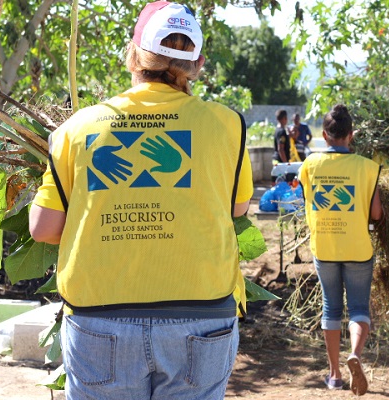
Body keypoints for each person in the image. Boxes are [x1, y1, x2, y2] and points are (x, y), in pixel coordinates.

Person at [29, 2, 253, 398]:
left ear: (133, 54)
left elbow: (43, 229)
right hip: (202, 317)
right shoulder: (228, 125)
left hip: (101, 321)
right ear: (198, 63)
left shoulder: (74, 130)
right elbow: (235, 209)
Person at [298, 104, 383, 396]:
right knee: (358, 308)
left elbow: (308, 200)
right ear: (352, 135)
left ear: (324, 135)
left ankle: (334, 374)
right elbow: (376, 214)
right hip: (358, 247)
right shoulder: (368, 168)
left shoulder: (309, 165)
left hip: (325, 246)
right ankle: (355, 354)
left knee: (330, 308)